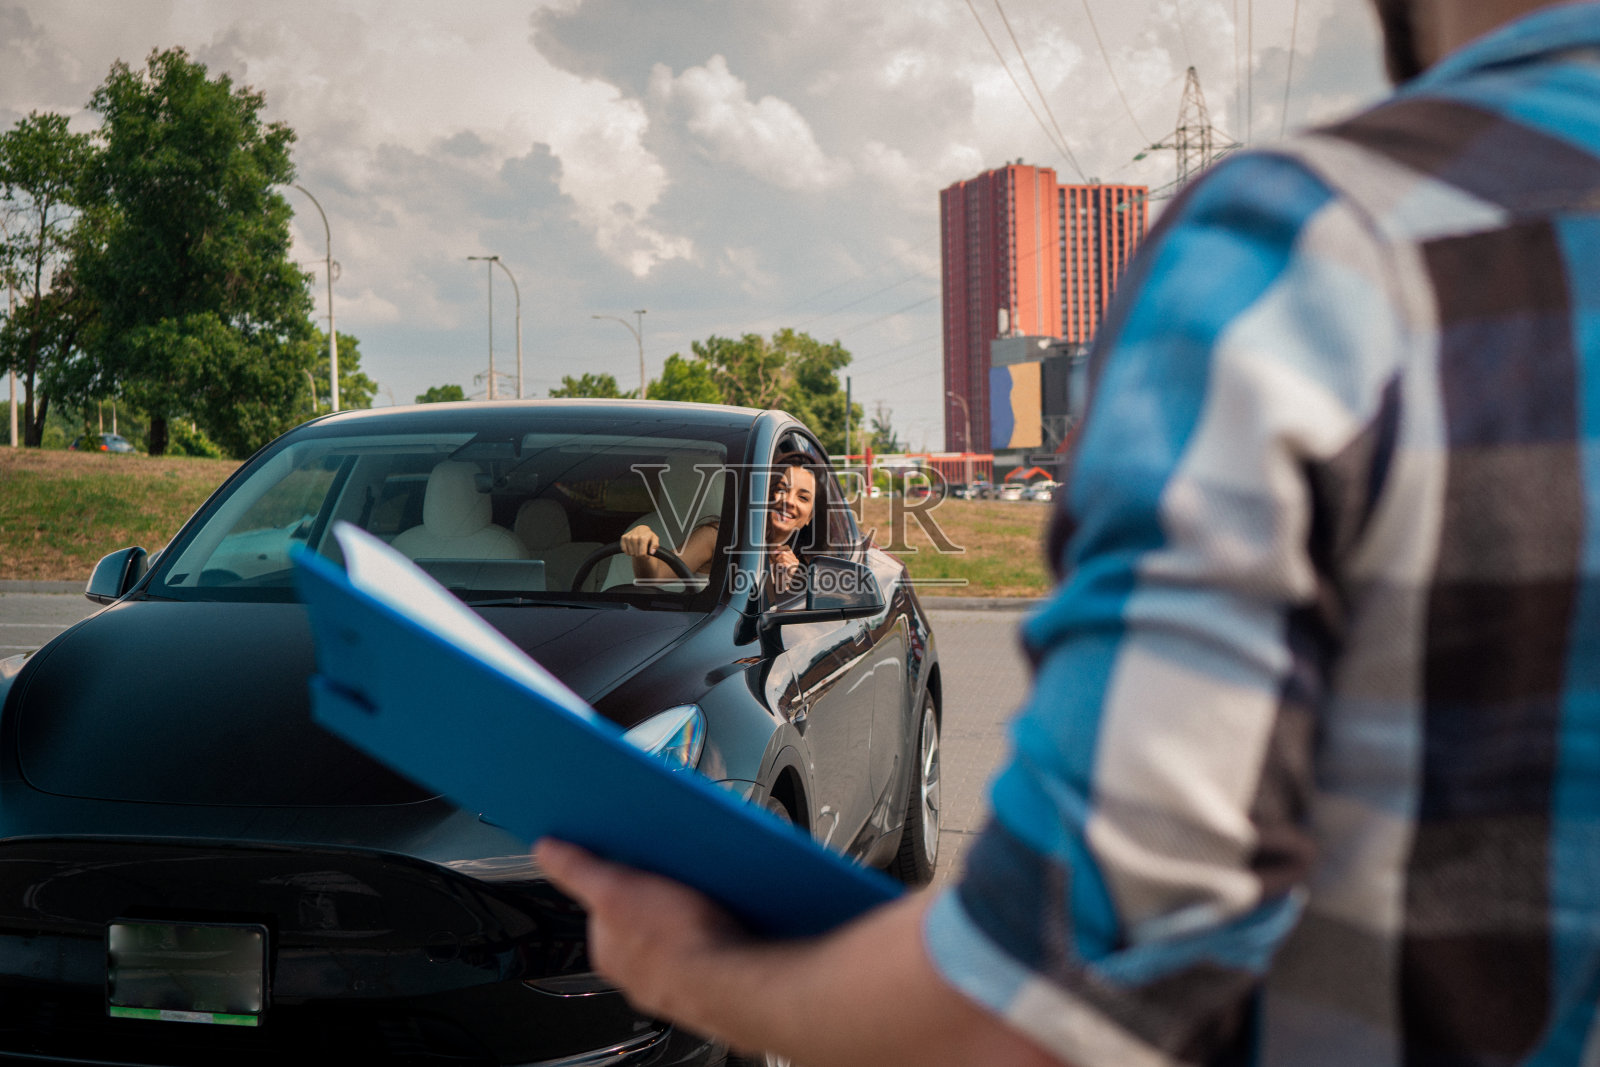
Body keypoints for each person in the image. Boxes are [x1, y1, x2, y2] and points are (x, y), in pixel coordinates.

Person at [538, 1, 1600, 1063]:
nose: (787, 505)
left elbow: (1057, 983)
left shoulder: (1319, 248)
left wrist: (695, 974)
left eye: (800, 494)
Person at [622, 452, 817, 596]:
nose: (789, 501)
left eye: (803, 498)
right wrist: (642, 545)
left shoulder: (805, 566)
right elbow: (655, 575)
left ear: (809, 517)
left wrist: (787, 588)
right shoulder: (720, 536)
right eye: (781, 489)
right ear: (762, 493)